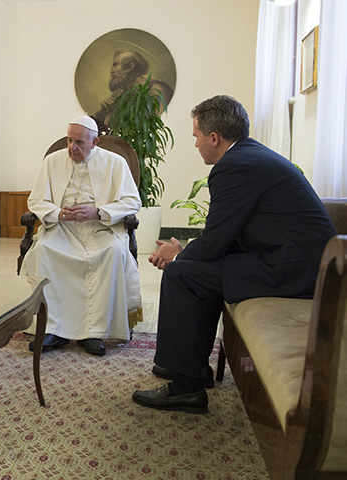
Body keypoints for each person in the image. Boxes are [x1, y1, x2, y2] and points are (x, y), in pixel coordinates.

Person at [132, 95, 337, 414]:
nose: (196, 143)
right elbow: (225, 235)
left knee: (181, 274)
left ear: (214, 138)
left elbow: (214, 241)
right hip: (296, 261)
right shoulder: (249, 155)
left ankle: (186, 389)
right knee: (198, 271)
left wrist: (178, 254)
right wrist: (186, 252)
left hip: (296, 271)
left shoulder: (235, 167)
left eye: (197, 136)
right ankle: (193, 368)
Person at [20, 115, 143, 356]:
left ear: (95, 141)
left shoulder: (115, 163)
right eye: (69, 141)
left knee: (113, 252)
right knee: (44, 251)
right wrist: (57, 213)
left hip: (100, 228)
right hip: (62, 228)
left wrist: (99, 212)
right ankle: (52, 329)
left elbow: (132, 201)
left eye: (79, 142)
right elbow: (36, 199)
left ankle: (94, 332)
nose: (72, 148)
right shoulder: (52, 161)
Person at [93, 50, 174, 125]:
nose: (111, 71)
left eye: (116, 65)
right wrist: (100, 112)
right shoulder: (119, 94)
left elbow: (148, 124)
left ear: (130, 67)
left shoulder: (157, 90)